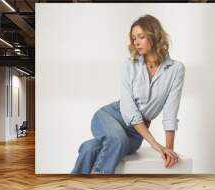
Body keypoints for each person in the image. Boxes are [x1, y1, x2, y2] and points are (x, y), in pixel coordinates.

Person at [72, 14, 185, 174]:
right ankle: (98, 186)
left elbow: (170, 112)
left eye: (141, 37)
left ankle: (72, 184)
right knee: (117, 139)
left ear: (154, 36)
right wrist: (154, 143)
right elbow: (129, 108)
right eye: (133, 38)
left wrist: (169, 150)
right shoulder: (129, 66)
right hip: (111, 116)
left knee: (90, 148)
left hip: (135, 134)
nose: (136, 42)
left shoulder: (176, 69)